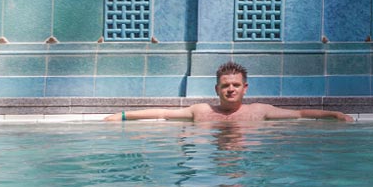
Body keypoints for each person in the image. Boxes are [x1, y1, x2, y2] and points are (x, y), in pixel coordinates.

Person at [106, 62, 354, 124]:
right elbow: (163, 112)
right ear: (217, 89)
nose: (231, 89)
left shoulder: (259, 111)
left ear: (245, 88)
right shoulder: (201, 111)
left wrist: (332, 114)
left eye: (236, 85)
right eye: (226, 86)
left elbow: (299, 114)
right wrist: (124, 116)